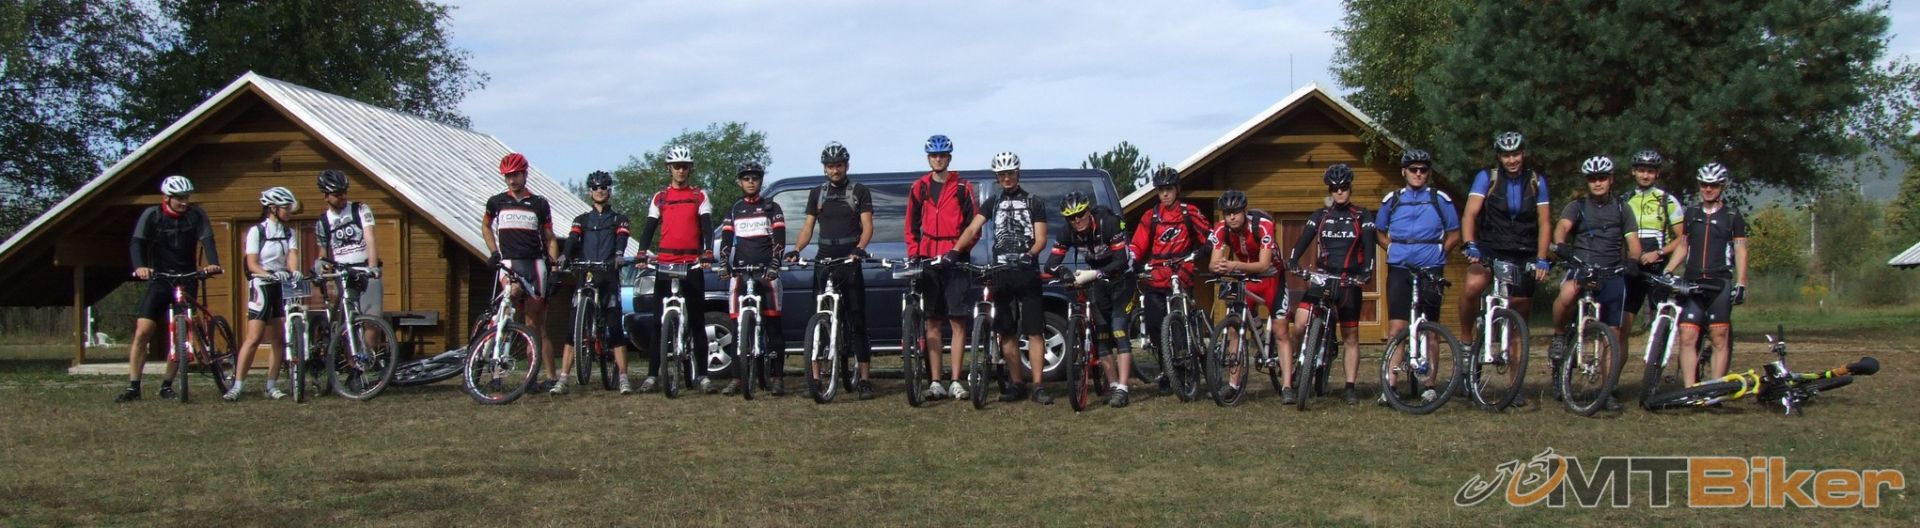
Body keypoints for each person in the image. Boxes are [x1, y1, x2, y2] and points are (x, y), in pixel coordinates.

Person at [1548, 156, 1657, 411]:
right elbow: (1562, 227)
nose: (1597, 183)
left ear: (1611, 179)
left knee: (1615, 333)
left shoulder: (1622, 208)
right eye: (1592, 179)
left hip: (1611, 271)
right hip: (1582, 266)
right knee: (1567, 293)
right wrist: (1561, 245)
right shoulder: (1577, 206)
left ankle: (1607, 390)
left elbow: (1633, 242)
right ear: (1587, 182)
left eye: (1602, 178)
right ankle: (1560, 335)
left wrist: (1634, 260)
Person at [1456, 132, 1551, 406]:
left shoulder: (1536, 181)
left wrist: (1542, 257)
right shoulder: (1487, 178)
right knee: (1473, 285)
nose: (1512, 160)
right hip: (1490, 247)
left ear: (1523, 154)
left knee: (1519, 319)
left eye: (1516, 154)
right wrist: (1470, 243)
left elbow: (1545, 222)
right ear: (1499, 156)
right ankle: (1466, 342)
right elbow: (1470, 214)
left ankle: (1514, 386)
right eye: (1506, 155)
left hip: (1523, 250)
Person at [955, 152, 1051, 404]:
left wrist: (1030, 254)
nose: (1006, 178)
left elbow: (1041, 238)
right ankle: (1017, 383)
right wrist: (955, 251)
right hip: (1001, 273)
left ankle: (1038, 385)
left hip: (1026, 272)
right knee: (1006, 331)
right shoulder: (993, 202)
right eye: (1001, 175)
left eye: (1010, 173)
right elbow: (972, 228)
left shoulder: (1034, 202)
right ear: (997, 177)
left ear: (1018, 173)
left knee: (1034, 331)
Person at [118, 175, 223, 402]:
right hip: (160, 278)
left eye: (187, 197)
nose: (184, 202)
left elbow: (207, 239)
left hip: (187, 278)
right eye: (179, 198)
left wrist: (213, 263)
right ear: (167, 197)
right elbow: (137, 241)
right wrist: (140, 267)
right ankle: (133, 386)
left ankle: (167, 385)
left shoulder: (196, 215)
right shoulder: (152, 215)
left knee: (180, 333)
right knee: (143, 331)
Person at [789, 142, 877, 399]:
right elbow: (808, 227)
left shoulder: (859, 191)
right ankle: (815, 379)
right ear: (824, 168)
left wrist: (859, 248)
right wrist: (796, 249)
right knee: (816, 319)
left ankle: (864, 379)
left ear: (846, 166)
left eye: (838, 165)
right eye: (830, 166)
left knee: (857, 319)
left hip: (849, 260)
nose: (835, 170)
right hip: (823, 259)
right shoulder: (817, 193)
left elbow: (867, 226)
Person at [1375, 148, 1461, 406]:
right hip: (1400, 266)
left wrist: (1441, 253)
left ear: (1428, 173)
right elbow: (1379, 231)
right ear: (1404, 172)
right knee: (1397, 328)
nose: (1418, 174)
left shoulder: (1439, 199)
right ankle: (1390, 385)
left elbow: (1455, 233)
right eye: (1413, 169)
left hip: (1431, 267)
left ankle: (1430, 386)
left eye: (1423, 170)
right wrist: (1391, 248)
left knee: (1431, 327)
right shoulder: (1393, 199)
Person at [1286, 165, 1375, 405]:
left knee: (1350, 336)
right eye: (1335, 189)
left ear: (1350, 188)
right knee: (1300, 323)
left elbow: (1369, 247)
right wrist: (1293, 260)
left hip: (1349, 281)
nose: (1340, 192)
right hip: (1323, 277)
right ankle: (1300, 361)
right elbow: (1303, 240)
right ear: (1330, 191)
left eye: (1344, 187)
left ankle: (1349, 387)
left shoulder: (1362, 215)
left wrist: (1367, 271)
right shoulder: (1321, 215)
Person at [634, 145, 717, 393]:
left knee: (698, 321)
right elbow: (649, 228)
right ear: (669, 168)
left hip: (691, 263)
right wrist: (642, 251)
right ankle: (652, 375)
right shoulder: (660, 197)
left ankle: (703, 375)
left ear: (690, 169)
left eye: (685, 167)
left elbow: (707, 227)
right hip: (665, 262)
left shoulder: (699, 196)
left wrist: (708, 252)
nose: (681, 171)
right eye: (676, 166)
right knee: (658, 322)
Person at [905, 134, 979, 401]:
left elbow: (974, 227)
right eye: (934, 156)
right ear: (929, 158)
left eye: (942, 155)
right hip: (929, 259)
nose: (938, 159)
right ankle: (935, 381)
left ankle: (956, 380)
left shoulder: (962, 187)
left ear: (949, 158)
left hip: (955, 259)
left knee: (958, 321)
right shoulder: (919, 187)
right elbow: (911, 225)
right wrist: (914, 253)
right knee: (933, 321)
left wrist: (958, 251)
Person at [1044, 191, 1134, 407]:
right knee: (1101, 334)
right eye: (1071, 217)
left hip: (1122, 279)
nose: (1077, 220)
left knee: (1118, 329)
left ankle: (1123, 388)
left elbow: (1121, 260)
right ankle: (1113, 386)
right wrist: (1063, 272)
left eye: (1081, 214)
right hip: (1098, 282)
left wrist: (1095, 273)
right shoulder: (1067, 232)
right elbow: (1050, 264)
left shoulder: (1108, 223)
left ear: (1088, 211)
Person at [1127, 167, 1212, 393]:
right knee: (1155, 327)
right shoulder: (1151, 216)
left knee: (1180, 327)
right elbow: (1137, 244)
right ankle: (1168, 370)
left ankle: (1185, 368)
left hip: (1181, 274)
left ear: (1177, 189)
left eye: (1169, 189)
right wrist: (1133, 260)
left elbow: (1210, 236)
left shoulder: (1189, 212)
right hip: (1156, 276)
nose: (1165, 194)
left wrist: (1203, 251)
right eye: (1161, 190)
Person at [481, 153, 562, 391]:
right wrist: (493, 251)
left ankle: (546, 377)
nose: (511, 180)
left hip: (535, 265)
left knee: (535, 324)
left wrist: (554, 267)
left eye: (515, 175)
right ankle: (494, 371)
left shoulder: (539, 203)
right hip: (509, 263)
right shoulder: (496, 202)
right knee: (507, 309)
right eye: (507, 176)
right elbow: (486, 225)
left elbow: (550, 238)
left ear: (525, 174)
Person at [552, 170, 633, 395]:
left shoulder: (619, 219)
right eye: (595, 188)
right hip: (585, 274)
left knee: (615, 327)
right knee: (572, 329)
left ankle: (623, 377)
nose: (599, 191)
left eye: (603, 187)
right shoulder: (581, 220)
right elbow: (573, 239)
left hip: (608, 274)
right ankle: (563, 379)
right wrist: (564, 256)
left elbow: (622, 237)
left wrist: (619, 254)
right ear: (590, 192)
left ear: (609, 190)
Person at [719, 161, 789, 396]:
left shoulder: (772, 207)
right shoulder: (734, 209)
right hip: (741, 272)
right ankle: (737, 379)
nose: (750, 182)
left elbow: (780, 238)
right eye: (746, 178)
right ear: (740, 182)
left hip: (766, 272)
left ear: (760, 181)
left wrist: (775, 263)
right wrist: (724, 262)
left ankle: (777, 378)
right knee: (738, 326)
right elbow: (726, 240)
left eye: (755, 178)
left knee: (773, 325)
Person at [225, 187, 302, 401]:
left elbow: (292, 256)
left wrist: (294, 271)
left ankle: (271, 385)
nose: (289, 211)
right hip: (261, 284)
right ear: (273, 208)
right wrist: (269, 274)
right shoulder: (257, 231)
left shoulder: (289, 232)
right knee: (254, 337)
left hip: (281, 285)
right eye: (286, 208)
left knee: (279, 338)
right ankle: (237, 385)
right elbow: (252, 263)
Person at [1676, 162, 1748, 386]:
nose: (1708, 189)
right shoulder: (1691, 213)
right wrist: (1668, 271)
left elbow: (1741, 249)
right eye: (1704, 184)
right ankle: (1690, 390)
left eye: (1714, 185)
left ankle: (1715, 389)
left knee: (1719, 337)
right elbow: (1683, 246)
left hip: (1719, 282)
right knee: (1687, 336)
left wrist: (1742, 283)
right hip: (1693, 281)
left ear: (1722, 186)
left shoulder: (1732, 216)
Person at [1205, 190, 1281, 402]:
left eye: (1236, 212)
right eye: (1227, 213)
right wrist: (1219, 266)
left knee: (1281, 326)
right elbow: (1212, 263)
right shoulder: (1221, 228)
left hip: (1271, 274)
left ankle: (1288, 380)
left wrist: (1233, 265)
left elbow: (1264, 264)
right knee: (1234, 328)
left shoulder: (1262, 225)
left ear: (1244, 211)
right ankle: (1233, 385)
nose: (1231, 217)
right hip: (1245, 275)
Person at [313, 169, 386, 377]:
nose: (343, 197)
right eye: (337, 194)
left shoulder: (360, 209)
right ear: (326, 196)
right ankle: (353, 369)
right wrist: (321, 266)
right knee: (349, 324)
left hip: (364, 268)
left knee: (372, 320)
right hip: (342, 273)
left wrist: (372, 267)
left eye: (345, 192)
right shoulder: (323, 222)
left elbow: (370, 237)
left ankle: (365, 363)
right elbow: (323, 252)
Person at [1620, 149, 1687, 337]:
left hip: (1658, 266)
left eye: (1650, 171)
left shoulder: (1667, 200)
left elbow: (1682, 238)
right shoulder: (1624, 200)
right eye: (1641, 170)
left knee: (1660, 326)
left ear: (1657, 174)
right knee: (1622, 326)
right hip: (1632, 267)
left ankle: (1657, 354)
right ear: (1633, 171)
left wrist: (1658, 253)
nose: (1645, 175)